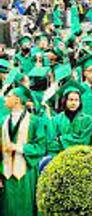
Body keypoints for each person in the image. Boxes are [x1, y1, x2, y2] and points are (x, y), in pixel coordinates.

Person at [1, 85, 46, 216]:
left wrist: (19, 147)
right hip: (5, 173)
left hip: (26, 172)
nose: (5, 99)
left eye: (8, 96)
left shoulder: (35, 121)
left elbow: (41, 147)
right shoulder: (3, 121)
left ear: (17, 100)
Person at [47, 80, 92, 156]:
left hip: (82, 158)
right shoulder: (56, 120)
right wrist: (76, 139)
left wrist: (61, 139)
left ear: (80, 102)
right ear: (65, 101)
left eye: (76, 100)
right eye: (70, 100)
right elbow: (50, 144)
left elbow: (85, 141)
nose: (73, 103)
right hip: (60, 158)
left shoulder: (87, 120)